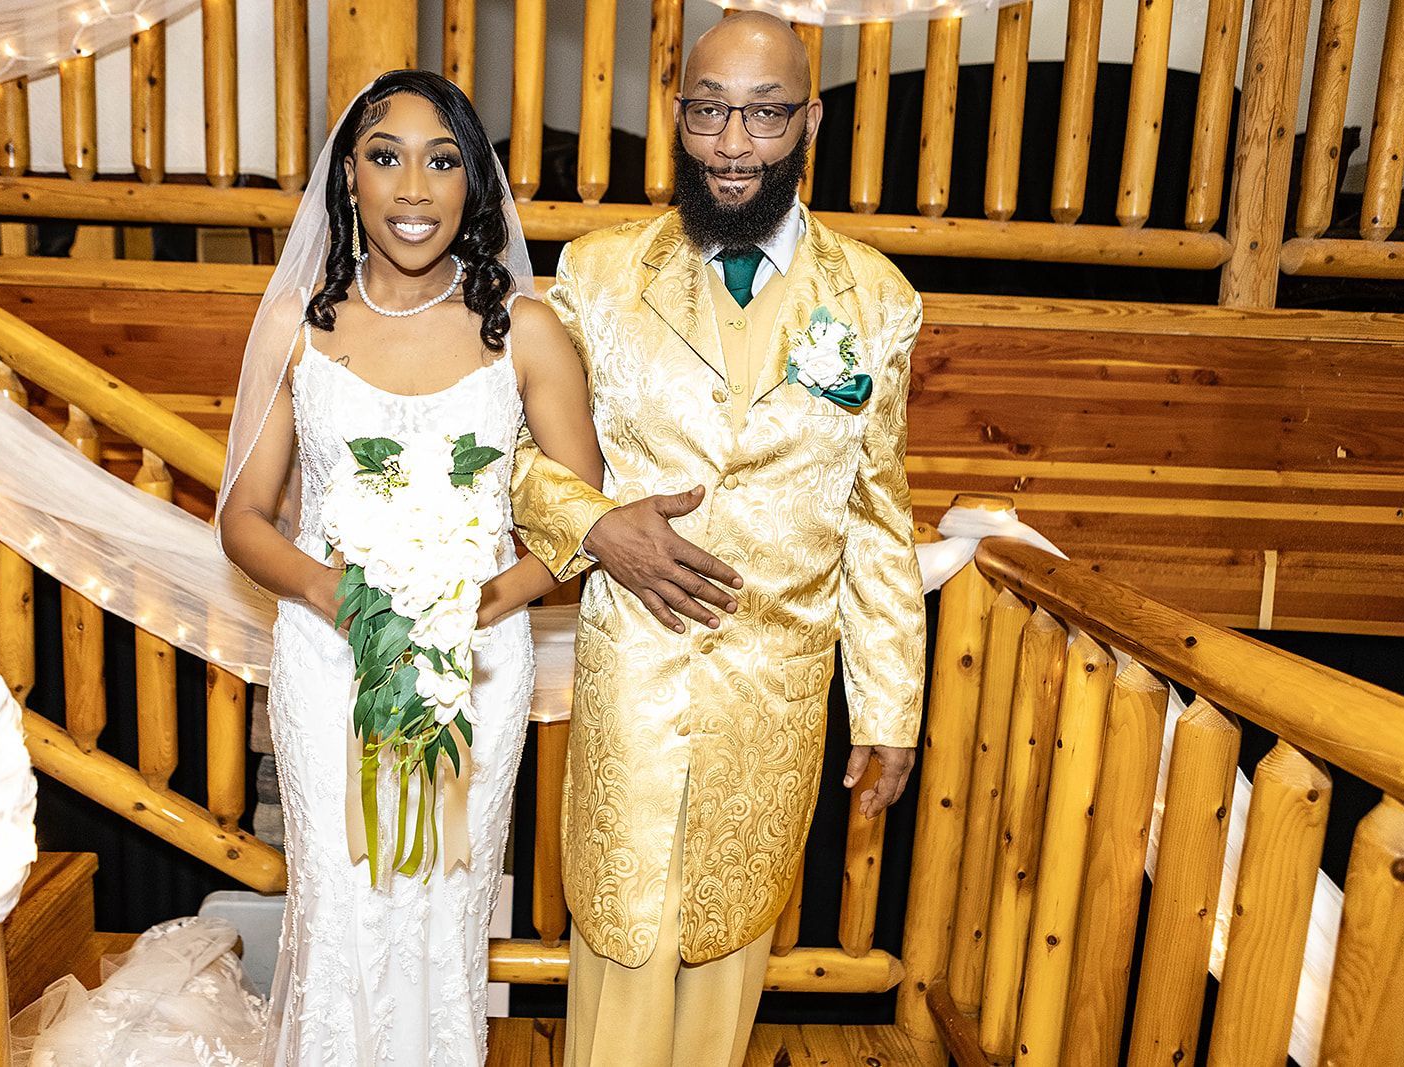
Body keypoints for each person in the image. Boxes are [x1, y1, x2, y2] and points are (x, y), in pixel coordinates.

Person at [510, 13, 928, 1065]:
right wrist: (597, 525)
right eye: (708, 112)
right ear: (677, 112)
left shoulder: (878, 300)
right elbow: (511, 455)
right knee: (619, 950)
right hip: (634, 682)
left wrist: (889, 706)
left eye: (764, 115)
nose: (732, 144)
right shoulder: (597, 273)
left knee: (724, 966)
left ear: (809, 122)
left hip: (772, 700)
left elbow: (877, 512)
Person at [216, 70, 603, 1065]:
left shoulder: (526, 331)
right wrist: (333, 594)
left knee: (443, 902)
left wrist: (480, 601)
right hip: (330, 652)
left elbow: (579, 521)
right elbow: (243, 519)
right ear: (349, 176)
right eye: (385, 157)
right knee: (340, 895)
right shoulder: (297, 324)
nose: (414, 188)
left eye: (443, 160)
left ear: (475, 181)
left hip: (475, 660)